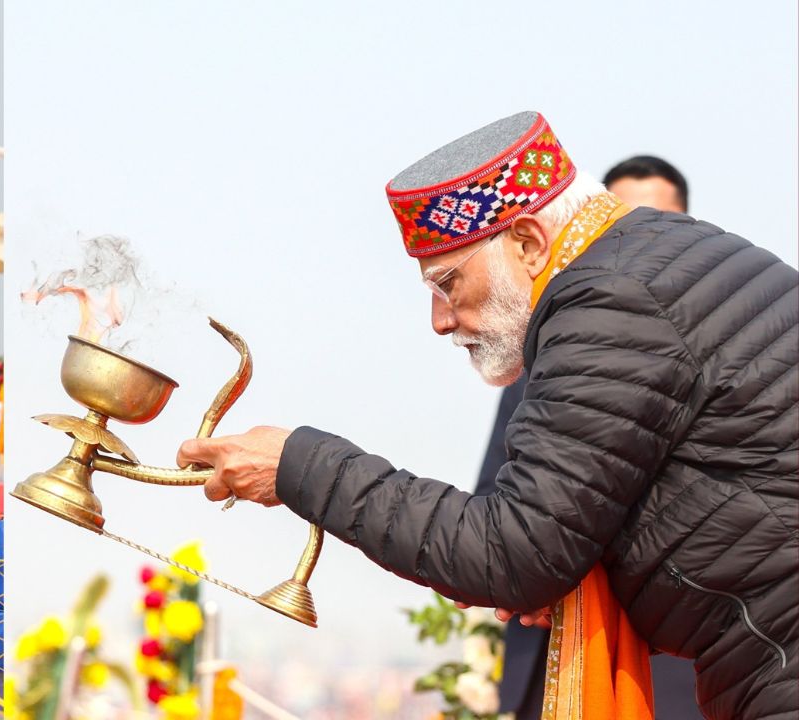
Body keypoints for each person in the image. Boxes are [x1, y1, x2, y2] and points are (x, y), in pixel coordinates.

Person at [179, 112, 796, 720]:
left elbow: (511, 554)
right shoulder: (657, 263)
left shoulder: (611, 300)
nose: (441, 321)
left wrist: (297, 464)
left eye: (448, 283)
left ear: (528, 244)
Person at [476, 154, 699, 719]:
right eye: (622, 220)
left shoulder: (713, 358)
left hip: (670, 665)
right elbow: (495, 501)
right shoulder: (543, 357)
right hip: (551, 653)